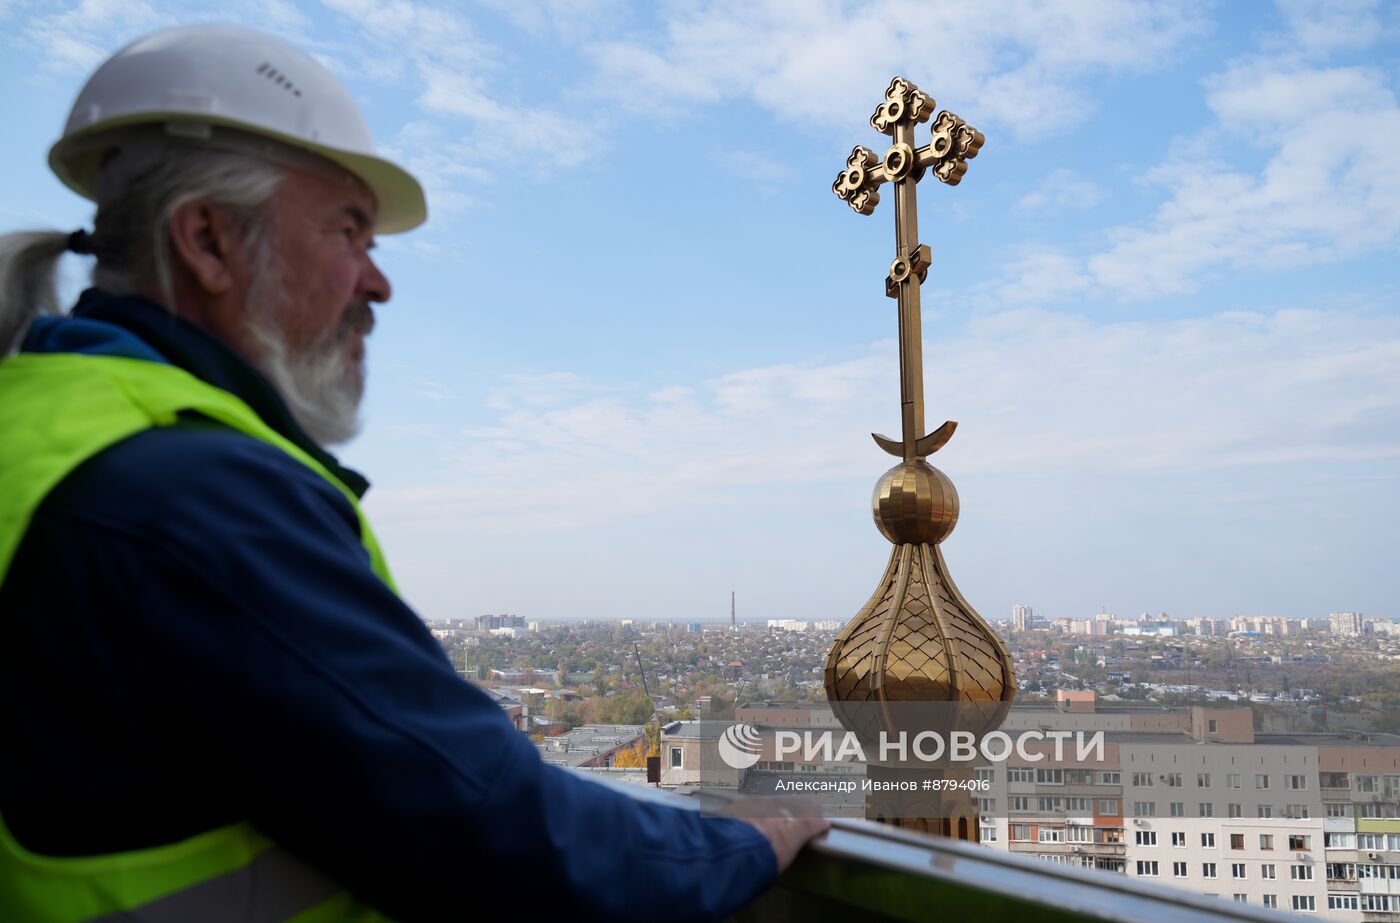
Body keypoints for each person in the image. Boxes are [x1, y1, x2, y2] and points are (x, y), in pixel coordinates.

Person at [0, 24, 828, 922]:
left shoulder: (48, 423)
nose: (379, 282)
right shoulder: (188, 494)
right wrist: (744, 838)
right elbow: (495, 826)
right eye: (350, 231)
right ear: (208, 240)